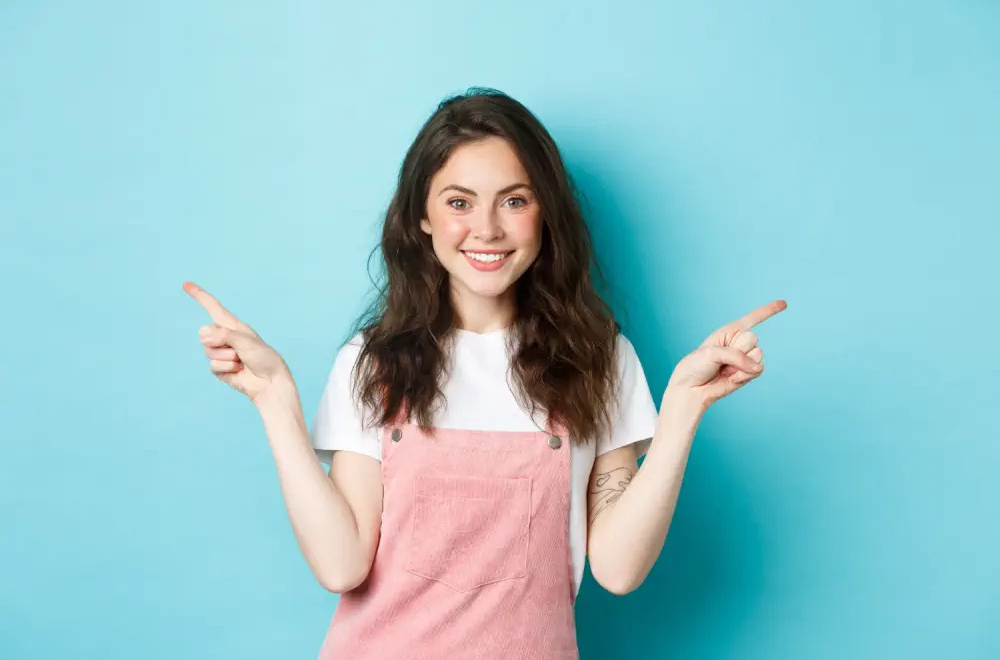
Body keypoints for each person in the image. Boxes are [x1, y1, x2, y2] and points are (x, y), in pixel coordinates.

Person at [183, 87, 786, 659]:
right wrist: (275, 398)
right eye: (459, 202)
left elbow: (619, 569)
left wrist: (682, 408)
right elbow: (341, 566)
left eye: (515, 200)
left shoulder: (599, 360)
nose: (488, 228)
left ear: (545, 215)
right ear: (422, 216)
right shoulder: (373, 363)